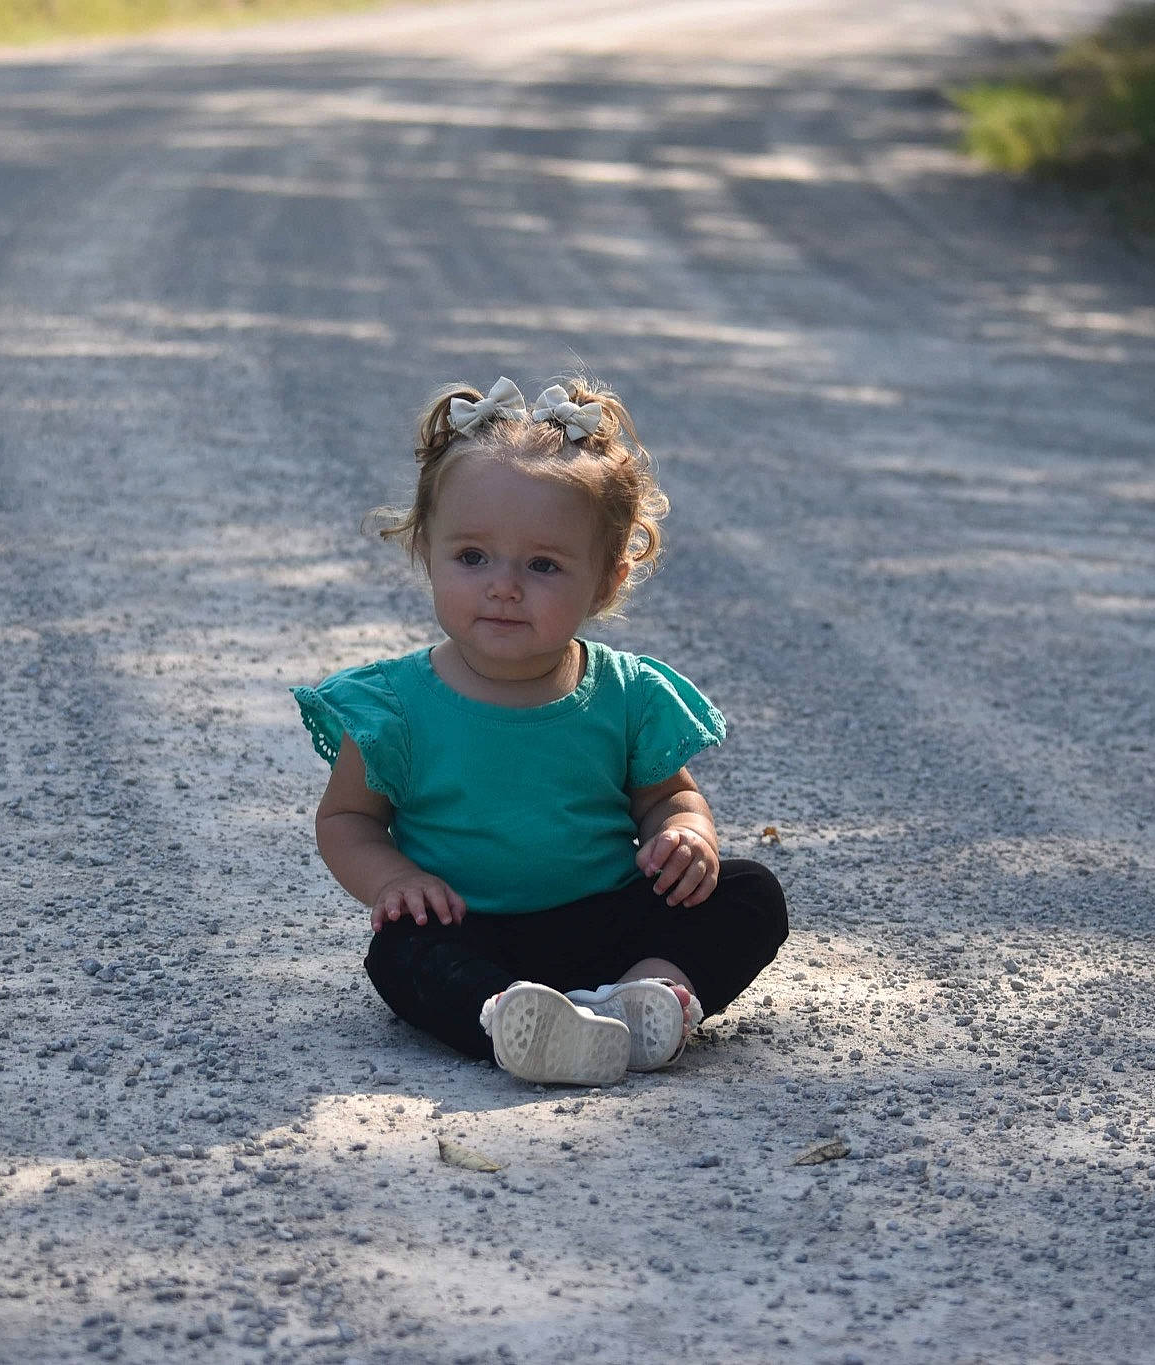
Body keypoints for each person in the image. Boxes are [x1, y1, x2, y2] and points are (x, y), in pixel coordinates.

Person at [292, 375, 788, 1086]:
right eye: (472, 557)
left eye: (543, 565)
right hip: (470, 926)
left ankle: (646, 997)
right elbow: (347, 820)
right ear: (427, 551)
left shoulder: (626, 693)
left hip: (609, 918)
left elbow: (666, 796)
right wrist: (396, 880)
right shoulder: (393, 705)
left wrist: (686, 833)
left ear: (606, 580)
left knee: (749, 894)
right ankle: (508, 1019)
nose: (504, 585)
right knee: (402, 951)